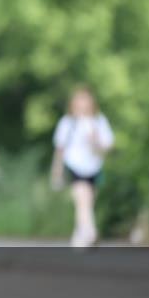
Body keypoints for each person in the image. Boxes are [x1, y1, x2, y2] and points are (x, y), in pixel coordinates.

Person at [50, 86, 114, 248]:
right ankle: (90, 232)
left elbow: (107, 146)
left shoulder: (98, 121)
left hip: (94, 167)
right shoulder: (68, 122)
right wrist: (56, 172)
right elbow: (60, 149)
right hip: (74, 166)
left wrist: (95, 139)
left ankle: (78, 237)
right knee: (83, 199)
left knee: (86, 204)